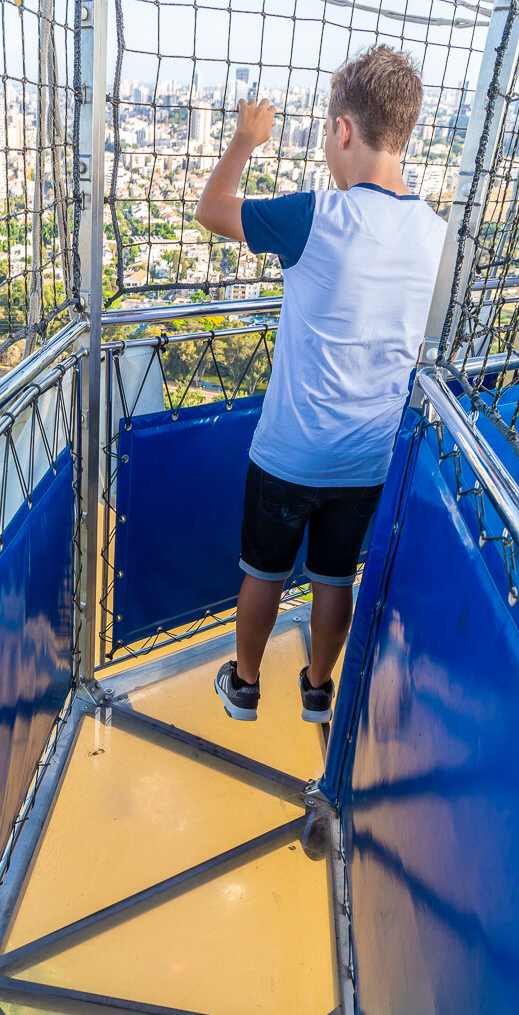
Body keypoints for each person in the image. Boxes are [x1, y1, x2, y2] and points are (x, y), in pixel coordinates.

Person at [195, 45, 446, 724]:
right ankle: (317, 688)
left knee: (264, 572)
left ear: (343, 130)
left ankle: (244, 686)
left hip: (290, 452)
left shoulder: (317, 215)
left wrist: (246, 139)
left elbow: (212, 208)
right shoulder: (436, 234)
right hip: (367, 457)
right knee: (336, 578)